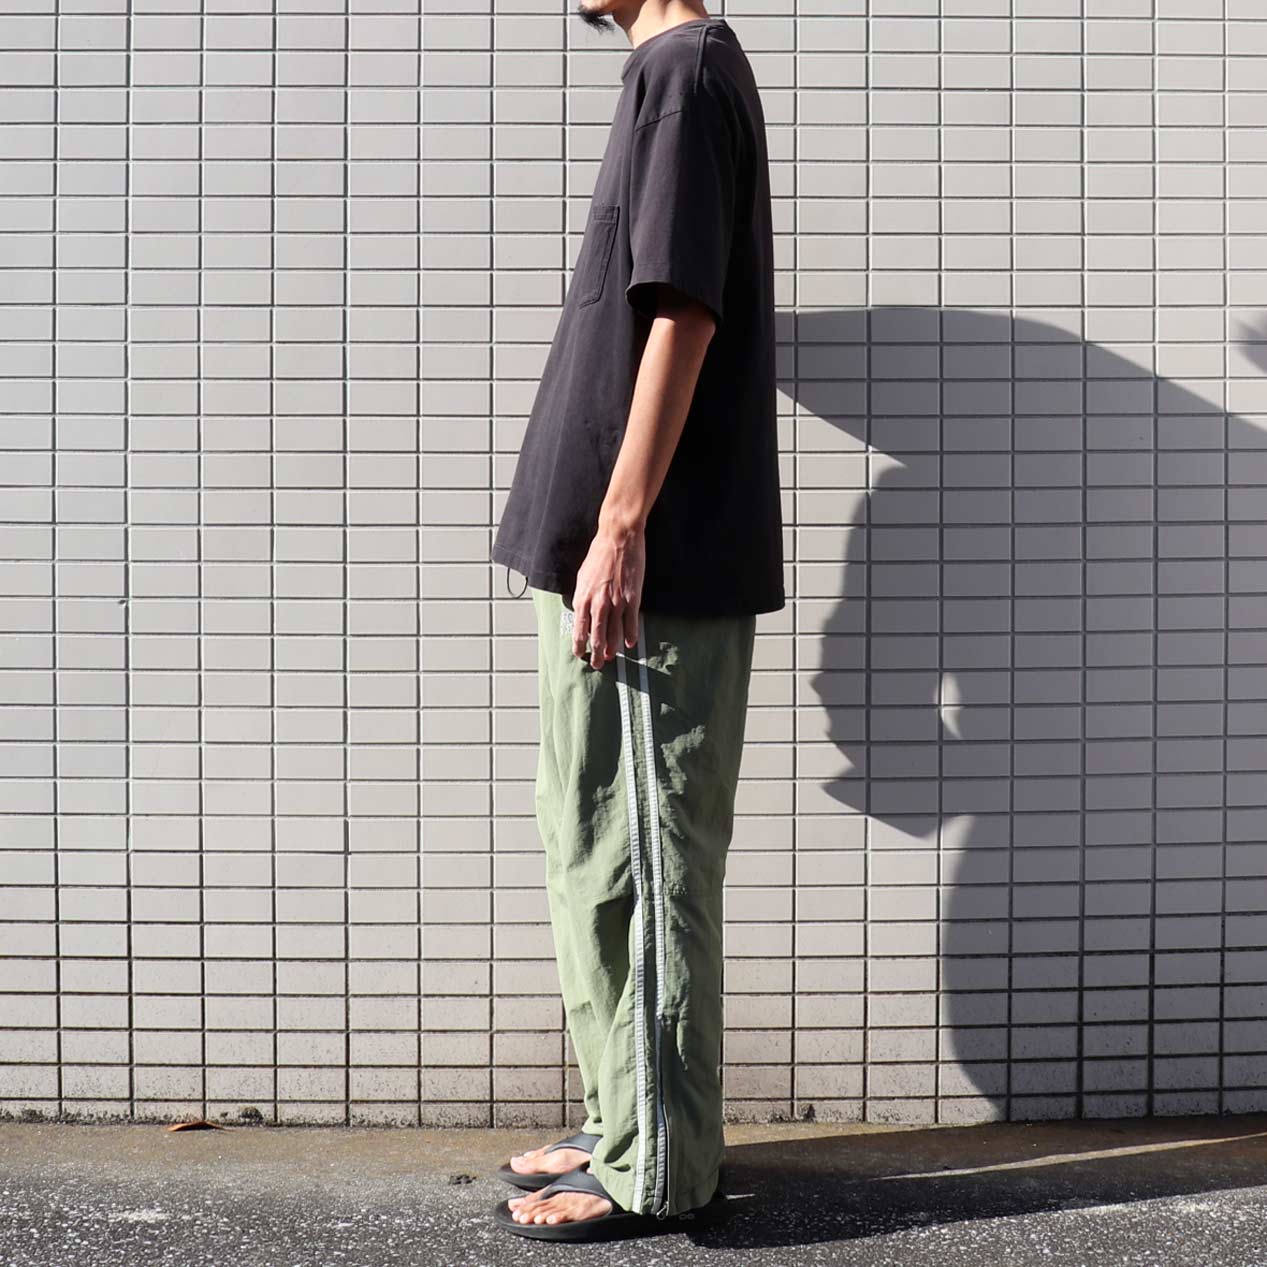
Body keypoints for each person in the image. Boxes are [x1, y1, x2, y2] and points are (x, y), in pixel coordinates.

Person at [488, 0, 784, 1242]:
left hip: (642, 573)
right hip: (601, 560)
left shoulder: (686, 71)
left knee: (639, 864)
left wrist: (621, 525)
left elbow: (685, 311)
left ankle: (656, 1165)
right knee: (591, 852)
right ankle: (626, 1114)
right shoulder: (671, 72)